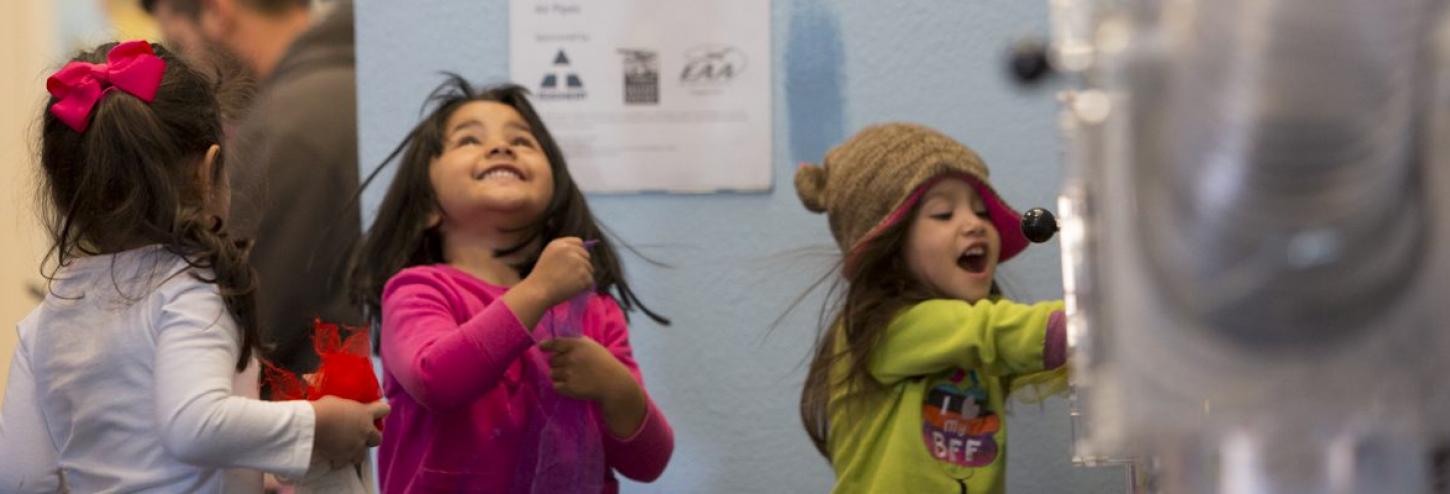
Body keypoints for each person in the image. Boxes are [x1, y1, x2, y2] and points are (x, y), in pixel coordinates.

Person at [0, 40, 386, 492]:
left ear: (68, 200)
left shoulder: (46, 320)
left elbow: (21, 475)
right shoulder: (190, 288)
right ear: (210, 169)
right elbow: (193, 424)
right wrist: (317, 424)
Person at [349, 77, 673, 493]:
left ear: (555, 193)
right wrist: (538, 291)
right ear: (427, 206)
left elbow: (650, 462)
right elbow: (434, 380)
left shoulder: (595, 312)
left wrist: (614, 385)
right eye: (468, 140)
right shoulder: (417, 291)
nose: (502, 147)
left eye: (523, 140)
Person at [794, 123, 1069, 493]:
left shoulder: (974, 335)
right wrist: (1097, 320)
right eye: (943, 214)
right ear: (890, 246)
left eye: (982, 212)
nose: (974, 224)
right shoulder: (886, 327)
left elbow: (1038, 351)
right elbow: (1002, 332)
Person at [197, 0, 362, 375]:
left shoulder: (283, 127)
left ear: (219, 13)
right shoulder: (361, 81)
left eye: (178, 40)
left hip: (317, 407)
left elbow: (249, 323)